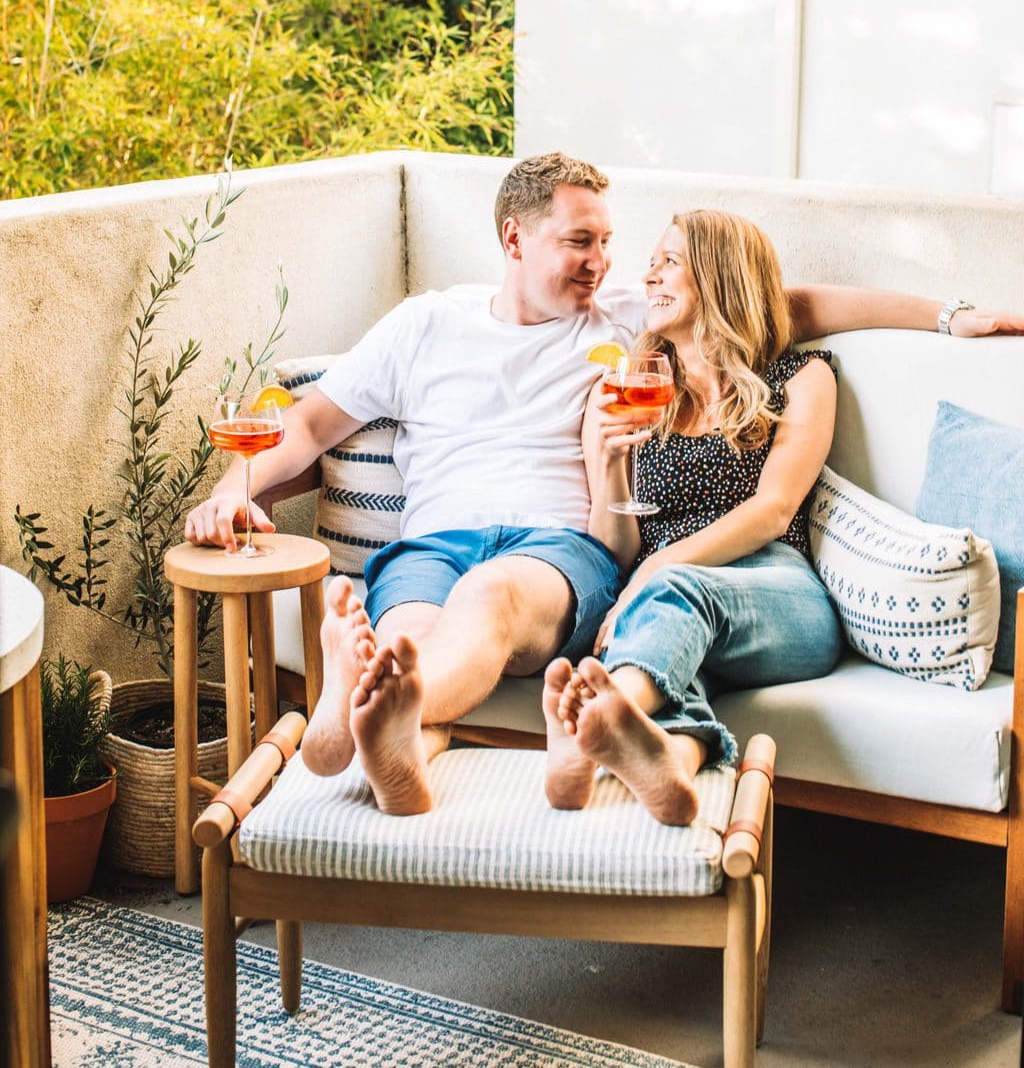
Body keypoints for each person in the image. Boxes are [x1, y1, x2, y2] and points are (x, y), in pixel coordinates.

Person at [184, 152, 1022, 816]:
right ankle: (382, 716)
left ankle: (384, 704)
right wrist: (235, 485)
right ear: (515, 239)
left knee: (494, 597)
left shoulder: (641, 324)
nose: (608, 264)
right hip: (456, 545)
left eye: (613, 245)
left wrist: (950, 315)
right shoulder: (455, 331)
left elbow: (782, 306)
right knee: (410, 623)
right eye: (580, 242)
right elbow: (305, 423)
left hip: (569, 558)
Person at [544, 208, 843, 826]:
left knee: (677, 595)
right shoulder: (633, 388)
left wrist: (656, 568)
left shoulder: (798, 377)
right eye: (650, 262)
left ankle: (589, 725)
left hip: (778, 589)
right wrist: (609, 469)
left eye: (669, 262)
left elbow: (774, 510)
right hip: (665, 603)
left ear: (719, 276)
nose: (649, 276)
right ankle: (669, 765)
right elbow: (618, 545)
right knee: (678, 660)